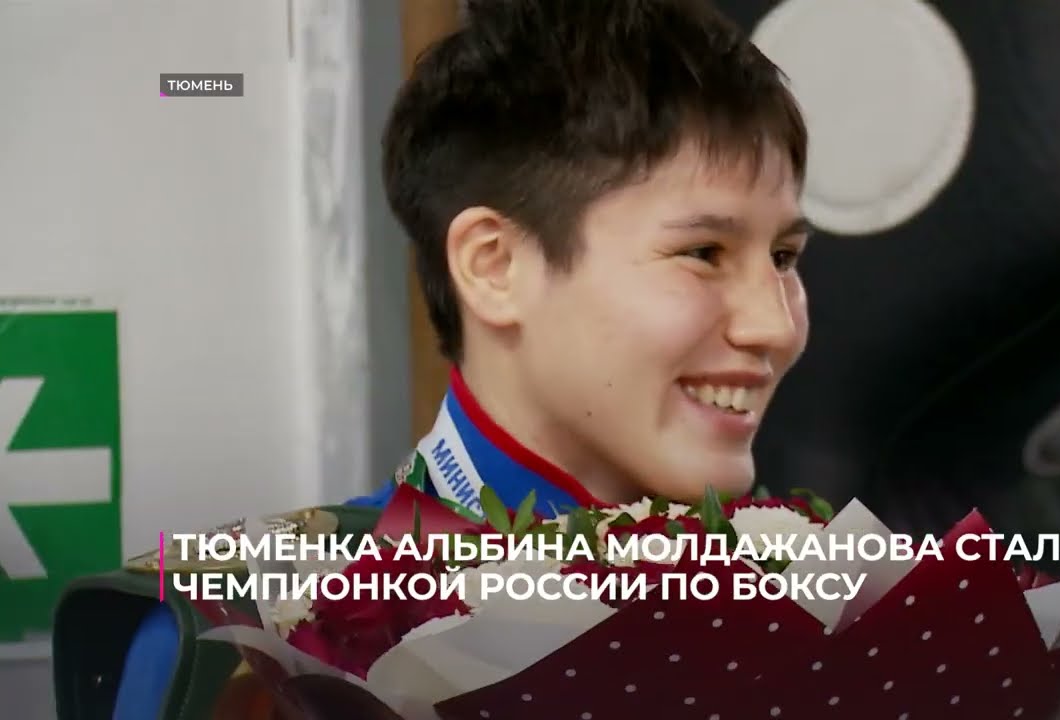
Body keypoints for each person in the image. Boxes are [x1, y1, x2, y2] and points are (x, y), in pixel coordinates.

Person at [52, 0, 810, 717]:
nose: (774, 326)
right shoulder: (239, 634)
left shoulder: (816, 603)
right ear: (494, 266)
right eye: (703, 253)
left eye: (783, 256)